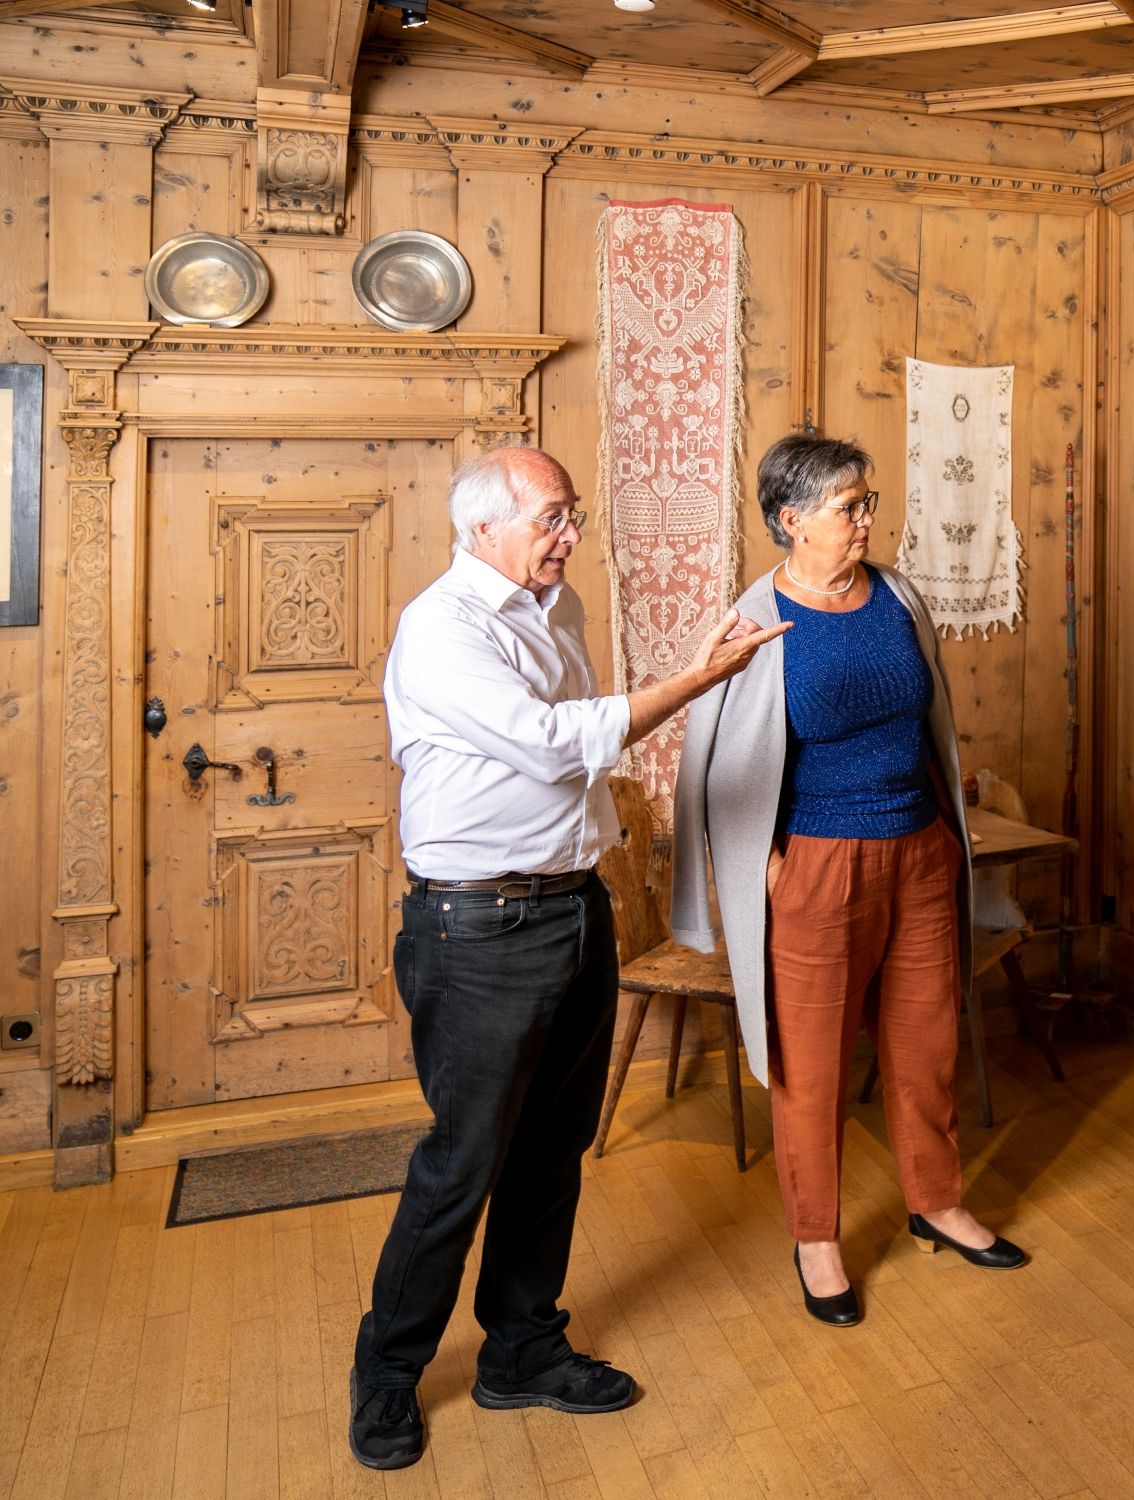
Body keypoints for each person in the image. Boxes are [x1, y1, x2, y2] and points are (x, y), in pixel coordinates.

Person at [349, 446, 787, 1470]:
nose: (568, 534)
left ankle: (522, 1352)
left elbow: (577, 752)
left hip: (570, 911)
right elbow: (554, 743)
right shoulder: (442, 629)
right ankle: (386, 1373)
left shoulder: (560, 610)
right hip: (476, 929)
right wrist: (698, 678)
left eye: (572, 515)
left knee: (550, 1150)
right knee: (463, 1163)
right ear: (484, 527)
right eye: (551, 517)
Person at [672, 433, 1026, 1329]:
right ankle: (817, 1237)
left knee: (925, 1041)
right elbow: (714, 761)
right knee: (812, 1064)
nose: (868, 518)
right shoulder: (755, 621)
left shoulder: (897, 597)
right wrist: (775, 862)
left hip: (918, 852)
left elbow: (930, 717)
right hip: (818, 864)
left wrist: (944, 832)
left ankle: (936, 1201)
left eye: (868, 502)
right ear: (791, 521)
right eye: (848, 507)